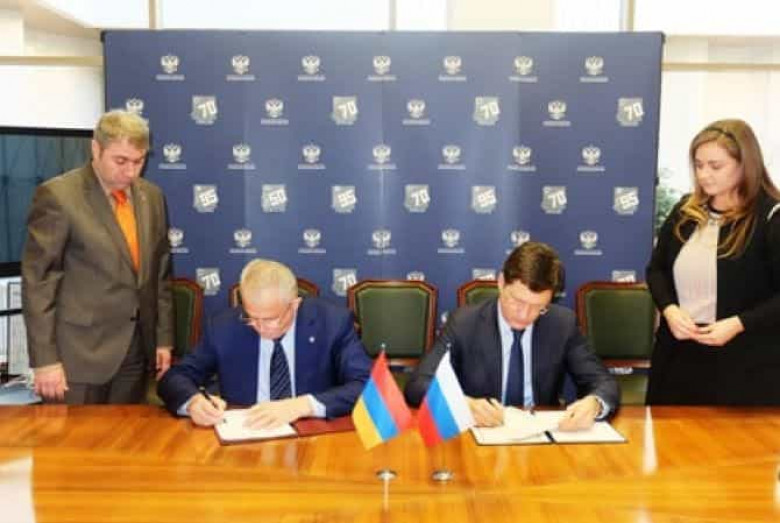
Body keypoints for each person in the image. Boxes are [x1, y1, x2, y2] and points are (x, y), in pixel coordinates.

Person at [22, 110, 174, 404]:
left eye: (139, 161)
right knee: (73, 435)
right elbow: (39, 283)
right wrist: (45, 360)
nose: (131, 172)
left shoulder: (152, 197)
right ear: (96, 149)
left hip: (135, 352)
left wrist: (163, 339)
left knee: (126, 433)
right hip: (77, 358)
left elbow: (161, 274)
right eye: (121, 161)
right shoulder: (58, 196)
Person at [405, 241, 619, 429]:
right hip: (482, 437)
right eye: (517, 301)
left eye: (538, 307)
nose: (524, 315)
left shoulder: (562, 324)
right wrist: (462, 404)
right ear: (501, 283)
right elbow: (418, 385)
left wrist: (595, 404)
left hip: (540, 437)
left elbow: (603, 382)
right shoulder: (464, 323)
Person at [646, 119, 780, 405]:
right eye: (698, 165)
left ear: (745, 164)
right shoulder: (685, 210)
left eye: (715, 166)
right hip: (677, 358)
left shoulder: (771, 218)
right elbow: (656, 270)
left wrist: (739, 324)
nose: (704, 174)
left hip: (747, 366)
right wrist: (669, 309)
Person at [158, 259, 372, 428]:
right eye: (251, 317)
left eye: (270, 319)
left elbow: (369, 386)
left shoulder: (332, 323)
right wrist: (194, 402)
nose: (260, 327)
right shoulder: (224, 327)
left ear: (294, 305)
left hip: (312, 434)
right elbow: (174, 377)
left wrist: (302, 405)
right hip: (247, 434)